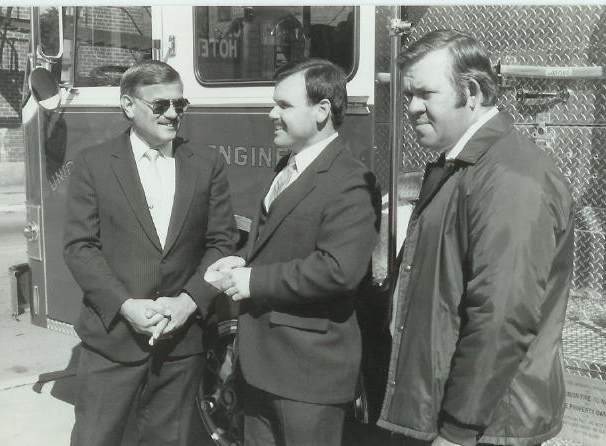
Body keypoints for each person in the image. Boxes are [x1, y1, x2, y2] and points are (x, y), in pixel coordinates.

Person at [376, 30, 574, 446]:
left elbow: (502, 316)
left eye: (425, 93)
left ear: (471, 91)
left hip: (487, 427)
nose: (411, 108)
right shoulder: (465, 166)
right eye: (408, 95)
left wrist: (458, 430)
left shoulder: (511, 180)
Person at [63, 60, 237, 446]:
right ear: (128, 106)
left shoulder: (207, 164)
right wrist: (125, 304)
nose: (173, 114)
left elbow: (221, 243)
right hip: (113, 342)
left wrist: (188, 302)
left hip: (181, 346)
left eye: (181, 104)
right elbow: (80, 247)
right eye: (160, 105)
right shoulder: (94, 164)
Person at [207, 59, 380, 446]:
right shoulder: (287, 166)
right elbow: (281, 244)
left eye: (284, 106)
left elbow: (338, 270)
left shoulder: (350, 181)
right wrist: (244, 261)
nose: (272, 114)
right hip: (262, 368)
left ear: (322, 111)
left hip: (308, 377)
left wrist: (253, 279)